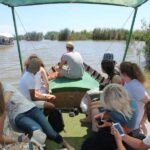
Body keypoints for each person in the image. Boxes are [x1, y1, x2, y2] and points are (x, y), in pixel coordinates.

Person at [0, 81, 74, 150]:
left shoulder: (6, 86)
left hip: (31, 108)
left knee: (50, 132)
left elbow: (5, 101)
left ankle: (67, 145)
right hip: (18, 116)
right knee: (38, 131)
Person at [81, 83, 138, 150]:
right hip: (110, 127)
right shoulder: (112, 104)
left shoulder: (132, 108)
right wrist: (103, 115)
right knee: (87, 144)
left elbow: (127, 131)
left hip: (121, 134)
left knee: (93, 145)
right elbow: (109, 112)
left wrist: (110, 124)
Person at [80, 53, 121, 124]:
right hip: (109, 97)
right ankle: (89, 115)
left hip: (112, 102)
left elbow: (114, 95)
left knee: (90, 96)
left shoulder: (115, 77)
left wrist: (102, 93)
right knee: (89, 93)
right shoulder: (112, 73)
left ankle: (90, 118)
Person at [120, 61, 150, 136]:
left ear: (124, 73)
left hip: (132, 125)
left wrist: (143, 120)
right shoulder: (128, 83)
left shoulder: (135, 86)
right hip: (126, 119)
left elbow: (148, 102)